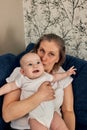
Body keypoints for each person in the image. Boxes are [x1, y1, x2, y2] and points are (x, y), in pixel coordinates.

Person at [2, 33, 76, 130]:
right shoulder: (23, 73)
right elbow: (7, 115)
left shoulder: (62, 75)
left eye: (51, 54)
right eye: (42, 51)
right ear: (36, 50)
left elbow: (68, 111)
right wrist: (40, 96)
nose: (44, 58)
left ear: (58, 58)